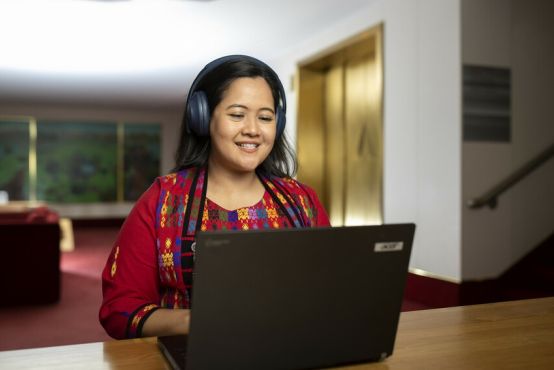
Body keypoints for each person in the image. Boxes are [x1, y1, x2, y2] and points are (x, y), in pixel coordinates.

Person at [99, 55, 330, 339]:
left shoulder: (302, 201)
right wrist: (198, 322)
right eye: (237, 114)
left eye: (265, 117)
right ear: (203, 117)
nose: (253, 130)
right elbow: (119, 310)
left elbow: (326, 291)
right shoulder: (162, 201)